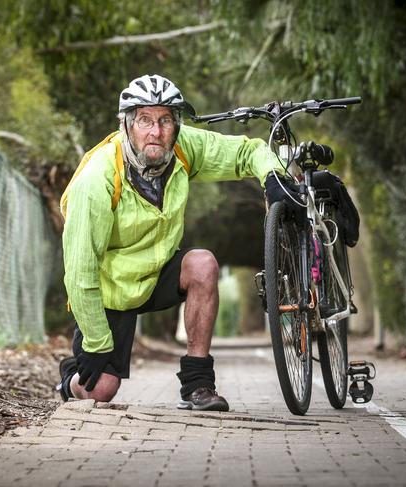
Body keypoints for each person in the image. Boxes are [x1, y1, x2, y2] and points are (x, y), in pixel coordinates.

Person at [58, 74, 290, 411]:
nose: (156, 131)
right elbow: (80, 272)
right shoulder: (98, 178)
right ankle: (70, 378)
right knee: (101, 391)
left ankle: (197, 384)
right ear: (126, 124)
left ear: (176, 124)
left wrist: (273, 176)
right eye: (145, 120)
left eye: (165, 120)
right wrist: (96, 342)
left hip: (156, 272)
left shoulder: (180, 149)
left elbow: (246, 151)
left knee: (202, 264)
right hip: (112, 288)